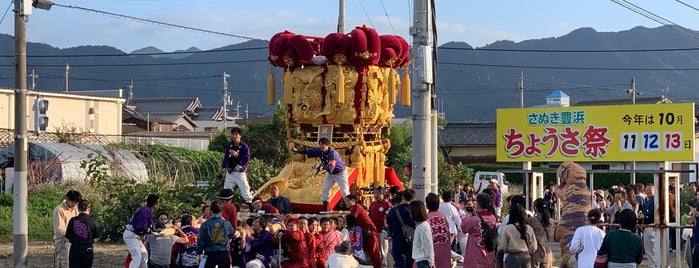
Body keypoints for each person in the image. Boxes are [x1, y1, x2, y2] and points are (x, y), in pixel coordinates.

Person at [294, 137, 349, 211]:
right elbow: (310, 151)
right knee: (325, 190)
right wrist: (298, 151)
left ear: (328, 145)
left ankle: (351, 208)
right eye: (320, 145)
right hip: (330, 174)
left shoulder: (333, 153)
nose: (321, 147)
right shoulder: (320, 150)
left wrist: (321, 167)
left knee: (345, 191)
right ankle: (326, 210)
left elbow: (330, 167)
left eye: (323, 145)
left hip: (340, 174)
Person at [216, 126, 254, 203]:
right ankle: (225, 209)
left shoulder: (244, 147)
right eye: (233, 134)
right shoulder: (229, 146)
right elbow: (226, 158)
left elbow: (246, 160)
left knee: (246, 192)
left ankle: (250, 207)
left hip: (240, 173)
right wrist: (222, 169)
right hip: (230, 172)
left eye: (236, 134)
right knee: (226, 192)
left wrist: (237, 155)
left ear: (240, 135)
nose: (234, 136)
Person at [461, 192, 498, 268]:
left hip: (475, 255)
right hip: (489, 253)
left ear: (478, 204)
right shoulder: (493, 218)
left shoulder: (474, 219)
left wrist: (467, 216)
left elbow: (464, 228)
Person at [344, 194, 381, 268]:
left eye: (348, 201)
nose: (346, 203)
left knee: (374, 254)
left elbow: (351, 219)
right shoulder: (356, 208)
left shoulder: (356, 207)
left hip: (370, 233)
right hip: (365, 234)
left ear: (353, 201)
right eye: (345, 201)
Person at [197, 200, 235, 268]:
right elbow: (232, 233)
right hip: (223, 254)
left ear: (210, 210)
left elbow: (201, 240)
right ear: (222, 210)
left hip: (210, 254)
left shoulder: (205, 224)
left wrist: (198, 254)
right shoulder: (226, 223)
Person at [124, 194, 159, 268]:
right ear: (155, 204)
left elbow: (152, 227)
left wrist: (158, 231)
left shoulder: (147, 211)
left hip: (135, 236)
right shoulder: (144, 211)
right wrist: (151, 231)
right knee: (137, 256)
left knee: (144, 255)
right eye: (158, 203)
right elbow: (141, 227)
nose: (159, 205)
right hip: (131, 235)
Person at [386, 189, 417, 268]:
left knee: (400, 265)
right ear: (413, 198)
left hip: (398, 241)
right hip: (412, 242)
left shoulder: (394, 211)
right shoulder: (415, 210)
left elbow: (388, 224)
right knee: (410, 264)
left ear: (402, 197)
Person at [499, 203, 537, 268]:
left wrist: (507, 249)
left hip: (512, 257)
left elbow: (503, 245)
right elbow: (534, 246)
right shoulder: (528, 228)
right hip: (526, 257)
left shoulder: (508, 228)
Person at [64, 199, 99, 268]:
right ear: (88, 208)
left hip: (75, 248)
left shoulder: (72, 220)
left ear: (78, 208)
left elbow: (67, 236)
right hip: (87, 248)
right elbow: (96, 236)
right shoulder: (92, 221)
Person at [54, 189, 82, 268]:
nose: (74, 205)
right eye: (73, 202)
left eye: (76, 203)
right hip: (63, 242)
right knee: (63, 263)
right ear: (67, 199)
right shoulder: (59, 210)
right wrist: (71, 235)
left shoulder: (76, 209)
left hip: (74, 242)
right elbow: (59, 229)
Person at [426, 193, 451, 268]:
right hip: (444, 253)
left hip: (431, 254)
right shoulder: (443, 217)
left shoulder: (426, 219)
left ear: (427, 205)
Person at [368, 186, 391, 267]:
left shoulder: (387, 204)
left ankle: (385, 265)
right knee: (375, 249)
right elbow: (369, 217)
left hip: (383, 232)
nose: (374, 194)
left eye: (376, 192)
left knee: (384, 249)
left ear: (381, 193)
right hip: (374, 231)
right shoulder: (373, 204)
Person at [527, 198, 553, 268]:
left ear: (535, 208)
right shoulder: (551, 221)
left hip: (536, 252)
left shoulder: (531, 221)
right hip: (548, 253)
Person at [410, 200, 435, 268]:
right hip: (421, 259)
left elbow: (428, 245)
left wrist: (431, 262)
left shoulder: (422, 226)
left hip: (423, 260)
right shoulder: (420, 225)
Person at [642, 183, 656, 268]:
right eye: (647, 190)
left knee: (651, 250)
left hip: (652, 226)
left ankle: (654, 266)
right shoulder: (648, 200)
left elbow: (648, 214)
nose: (648, 191)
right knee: (650, 250)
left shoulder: (653, 200)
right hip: (649, 226)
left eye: (650, 190)